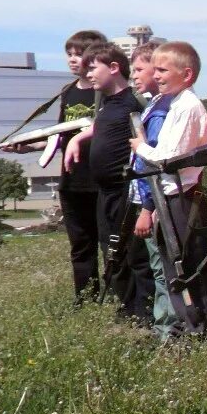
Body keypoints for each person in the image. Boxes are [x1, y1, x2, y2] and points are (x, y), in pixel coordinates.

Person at [4, 30, 106, 306]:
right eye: (69, 54)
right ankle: (85, 299)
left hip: (101, 180)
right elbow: (59, 136)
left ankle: (118, 299)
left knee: (110, 245)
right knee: (80, 247)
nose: (72, 60)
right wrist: (28, 146)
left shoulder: (106, 93)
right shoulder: (69, 92)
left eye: (78, 54)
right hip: (72, 180)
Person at [129, 42, 207, 337]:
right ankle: (184, 326)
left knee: (185, 266)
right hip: (171, 195)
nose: (157, 75)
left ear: (186, 74)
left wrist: (142, 148)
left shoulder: (187, 107)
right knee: (172, 267)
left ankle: (196, 328)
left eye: (163, 70)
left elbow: (169, 157)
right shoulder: (175, 104)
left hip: (182, 196)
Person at [64, 43, 151, 324]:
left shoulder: (133, 103)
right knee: (111, 252)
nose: (88, 74)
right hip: (105, 193)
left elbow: (145, 146)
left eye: (93, 68)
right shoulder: (105, 104)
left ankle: (143, 313)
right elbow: (94, 130)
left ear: (113, 68)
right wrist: (77, 139)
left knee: (132, 254)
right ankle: (126, 308)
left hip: (126, 191)